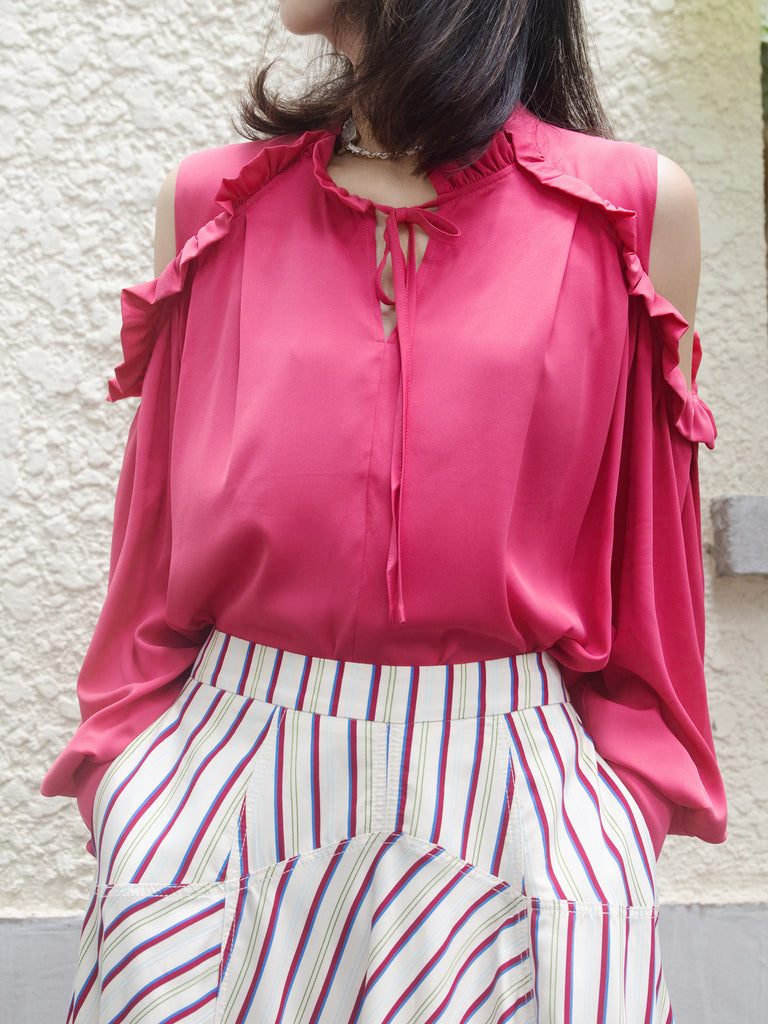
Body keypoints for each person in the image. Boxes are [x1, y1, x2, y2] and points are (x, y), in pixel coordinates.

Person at [43, 0, 727, 1020]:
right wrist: (133, 780)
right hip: (229, 775)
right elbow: (151, 538)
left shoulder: (624, 209)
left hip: (518, 778)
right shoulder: (214, 203)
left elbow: (651, 556)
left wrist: (619, 811)